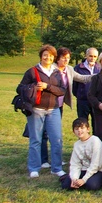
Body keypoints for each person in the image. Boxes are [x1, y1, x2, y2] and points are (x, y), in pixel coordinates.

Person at [20, 44, 66, 178]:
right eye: (45, 55)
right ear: (41, 56)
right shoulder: (32, 71)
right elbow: (20, 88)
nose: (48, 57)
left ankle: (56, 168)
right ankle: (34, 167)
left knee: (57, 139)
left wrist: (48, 86)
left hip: (53, 110)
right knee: (36, 140)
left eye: (51, 55)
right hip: (36, 110)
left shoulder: (57, 72)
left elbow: (62, 90)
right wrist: (34, 87)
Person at [60, 117, 102, 191]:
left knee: (91, 186)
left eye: (82, 128)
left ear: (88, 129)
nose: (79, 131)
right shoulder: (76, 145)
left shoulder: (95, 141)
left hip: (99, 170)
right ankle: (70, 178)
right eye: (77, 129)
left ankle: (91, 181)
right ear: (73, 131)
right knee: (66, 185)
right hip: (84, 169)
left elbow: (96, 164)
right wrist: (74, 179)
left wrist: (84, 180)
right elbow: (75, 164)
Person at [72, 47, 101, 123]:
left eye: (95, 56)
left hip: (96, 100)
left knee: (96, 123)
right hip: (83, 101)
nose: (92, 58)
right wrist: (80, 95)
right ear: (86, 56)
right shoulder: (78, 68)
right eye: (90, 56)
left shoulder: (100, 68)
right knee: (82, 122)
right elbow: (74, 86)